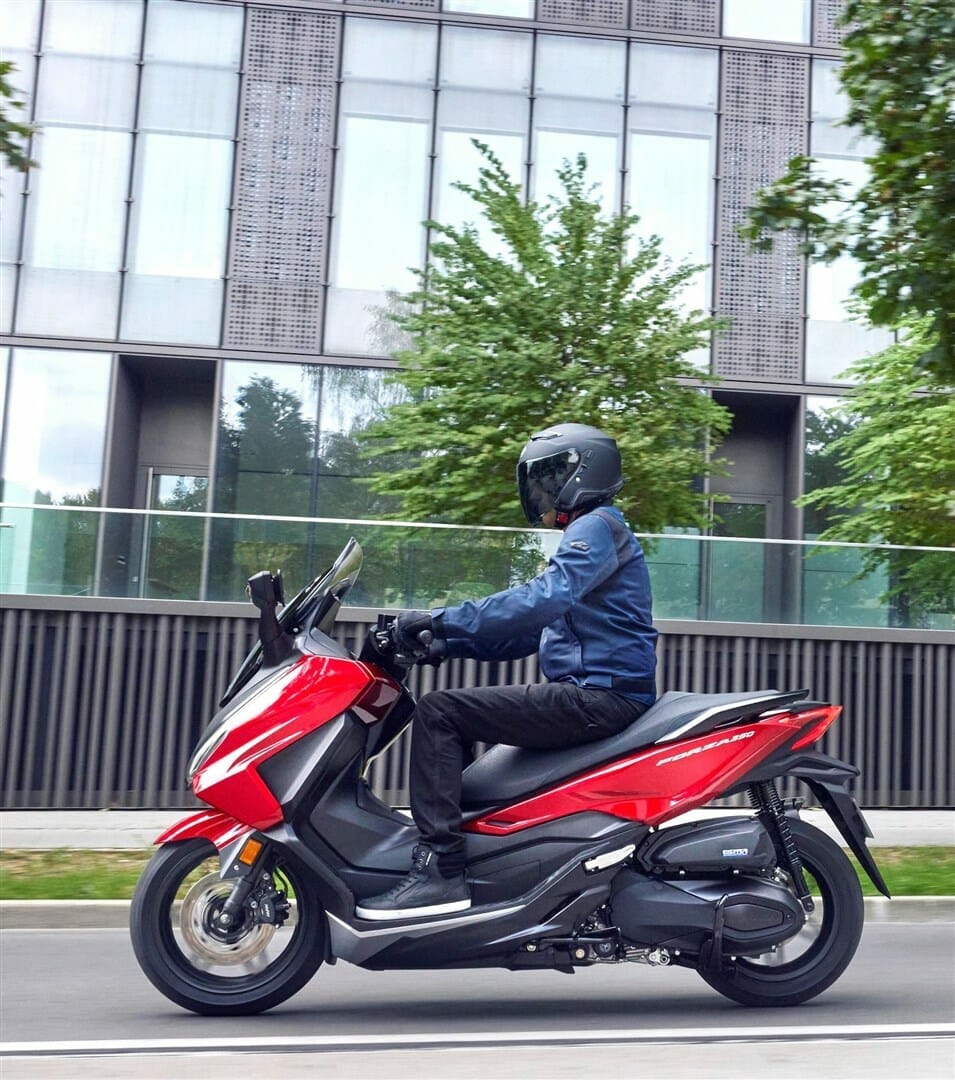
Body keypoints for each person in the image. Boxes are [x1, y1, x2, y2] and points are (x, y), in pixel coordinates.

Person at [356, 423, 657, 921]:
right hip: (592, 693)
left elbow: (541, 601)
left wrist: (440, 619)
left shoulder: (597, 525)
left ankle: (441, 871)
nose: (539, 490)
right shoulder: (596, 533)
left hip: (598, 698)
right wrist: (445, 641)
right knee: (465, 749)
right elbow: (535, 633)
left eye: (550, 475)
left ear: (582, 472)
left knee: (440, 713)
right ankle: (483, 864)